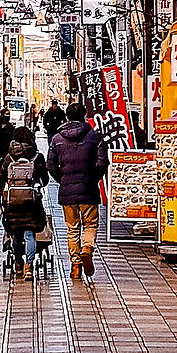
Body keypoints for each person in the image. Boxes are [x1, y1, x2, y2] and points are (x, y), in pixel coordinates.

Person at [46, 98, 108, 281]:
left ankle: (75, 266)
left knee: (72, 228)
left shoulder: (57, 139)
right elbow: (103, 162)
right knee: (90, 224)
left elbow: (51, 166)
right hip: (88, 189)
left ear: (66, 117)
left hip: (67, 192)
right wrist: (93, 177)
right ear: (84, 116)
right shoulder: (95, 136)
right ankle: (87, 248)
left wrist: (63, 179)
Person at [1, 132, 49, 279]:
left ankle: (18, 265)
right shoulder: (36, 156)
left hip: (13, 203)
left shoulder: (9, 157)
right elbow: (45, 179)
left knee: (16, 233)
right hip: (31, 203)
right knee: (29, 234)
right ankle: (29, 266)